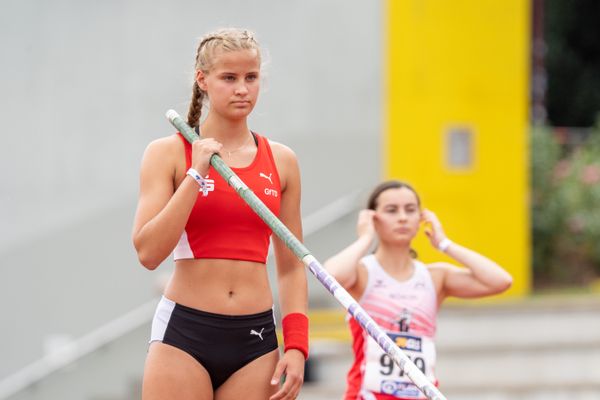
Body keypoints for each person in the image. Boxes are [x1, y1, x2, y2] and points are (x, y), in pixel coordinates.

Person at [132, 28, 308, 400]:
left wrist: (296, 344)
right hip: (185, 334)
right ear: (204, 80)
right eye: (229, 78)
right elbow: (148, 252)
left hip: (255, 339)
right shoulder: (168, 152)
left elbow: (292, 265)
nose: (242, 89)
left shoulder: (282, 161)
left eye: (251, 77)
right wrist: (196, 174)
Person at [324, 180, 513, 400]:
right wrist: (366, 237)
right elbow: (330, 275)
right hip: (368, 395)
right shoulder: (362, 273)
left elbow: (501, 281)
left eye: (410, 210)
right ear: (374, 218)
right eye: (392, 210)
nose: (402, 217)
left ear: (421, 218)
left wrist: (444, 244)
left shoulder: (435, 277)